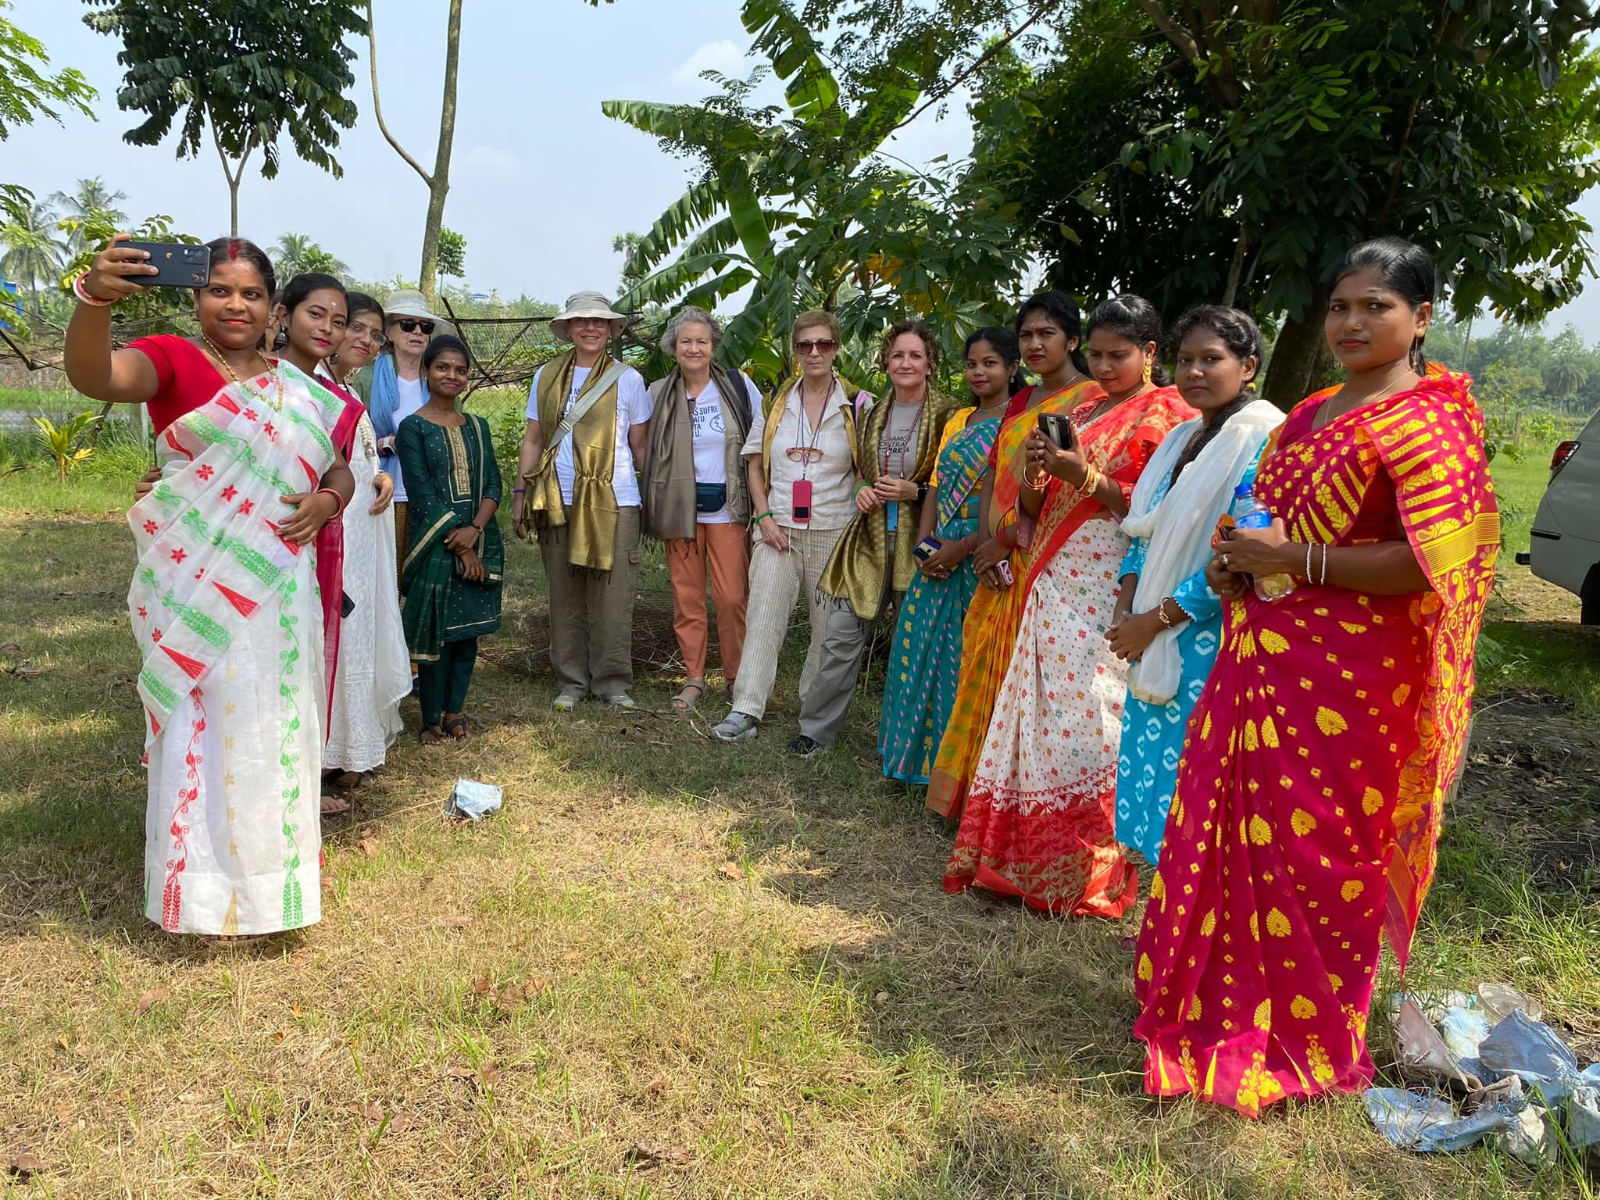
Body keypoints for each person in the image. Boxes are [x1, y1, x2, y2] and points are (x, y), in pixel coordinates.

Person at [1133, 239, 1499, 1117]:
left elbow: (1428, 562)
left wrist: (1293, 556)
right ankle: (1204, 1006)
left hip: (1352, 683)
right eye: (1340, 306)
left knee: (1317, 850)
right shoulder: (1307, 415)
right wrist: (1235, 567)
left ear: (1421, 318)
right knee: (1227, 834)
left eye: (1376, 306)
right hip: (1259, 658)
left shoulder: (1431, 421)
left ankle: (1299, 1036)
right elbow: (1264, 525)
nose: (1352, 322)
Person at [64, 234, 358, 938]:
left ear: (274, 308)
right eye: (219, 290)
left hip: (278, 587)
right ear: (196, 298)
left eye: (251, 293)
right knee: (204, 726)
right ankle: (195, 892)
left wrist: (331, 500)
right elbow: (95, 376)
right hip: (195, 585)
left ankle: (270, 885)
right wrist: (95, 298)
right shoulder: (172, 358)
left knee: (274, 726)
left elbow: (337, 464)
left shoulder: (300, 387)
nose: (235, 304)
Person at [943, 294, 1193, 913]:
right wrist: (1038, 470)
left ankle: (1089, 871)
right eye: (1097, 354)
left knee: (1095, 725)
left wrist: (1079, 474)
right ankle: (1022, 863)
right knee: (1040, 718)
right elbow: (1034, 508)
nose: (1104, 367)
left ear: (1151, 353)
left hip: (1110, 583)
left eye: (1119, 355)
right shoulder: (1079, 407)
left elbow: (1150, 514)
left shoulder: (1169, 416)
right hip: (1051, 576)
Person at [1106, 305, 1282, 864]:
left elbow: (1234, 559)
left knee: (1196, 788)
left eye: (1213, 359)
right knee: (1155, 782)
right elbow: (1143, 529)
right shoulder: (1182, 437)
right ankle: (1166, 912)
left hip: (1209, 638)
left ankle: (1187, 919)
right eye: (1185, 360)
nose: (1194, 372)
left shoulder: (1260, 441)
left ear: (1248, 366)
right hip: (1149, 629)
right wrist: (1126, 608)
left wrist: (1152, 620)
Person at [927, 292, 1103, 819]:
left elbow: (1065, 488)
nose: (1033, 344)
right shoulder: (1022, 404)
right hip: (997, 554)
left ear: (1072, 340)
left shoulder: (1090, 399)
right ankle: (971, 799)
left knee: (1031, 687)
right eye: (1026, 334)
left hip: (1051, 558)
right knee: (984, 670)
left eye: (1046, 334)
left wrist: (1005, 542)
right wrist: (986, 544)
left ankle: (1021, 808)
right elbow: (993, 481)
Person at [788, 320, 964, 757]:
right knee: (840, 638)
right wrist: (861, 489)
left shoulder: (950, 414)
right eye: (898, 355)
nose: (905, 363)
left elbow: (959, 486)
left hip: (920, 547)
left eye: (915, 356)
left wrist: (916, 491)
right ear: (886, 361)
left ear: (930, 364)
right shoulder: (871, 412)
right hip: (868, 542)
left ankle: (913, 746)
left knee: (917, 648)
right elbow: (860, 474)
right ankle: (816, 732)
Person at [710, 311, 869, 743]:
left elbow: (865, 469)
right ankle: (745, 708)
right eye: (804, 346)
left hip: (834, 530)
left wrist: (860, 495)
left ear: (836, 348)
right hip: (778, 527)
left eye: (823, 345)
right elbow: (754, 462)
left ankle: (812, 713)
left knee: (826, 627)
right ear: (794, 350)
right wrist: (763, 517)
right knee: (763, 616)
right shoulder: (776, 402)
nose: (814, 353)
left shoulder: (857, 403)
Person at [878, 328, 1018, 784]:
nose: (979, 372)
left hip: (982, 554)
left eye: (990, 363)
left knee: (963, 661)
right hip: (938, 555)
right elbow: (936, 486)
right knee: (916, 655)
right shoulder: (958, 421)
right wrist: (926, 547)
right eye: (972, 364)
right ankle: (910, 764)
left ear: (1013, 368)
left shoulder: (1017, 421)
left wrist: (962, 550)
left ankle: (958, 773)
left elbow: (1007, 500)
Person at [512, 291, 652, 711]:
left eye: (599, 322)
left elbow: (639, 448)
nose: (591, 328)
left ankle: (611, 683)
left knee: (612, 592)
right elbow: (534, 438)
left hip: (615, 498)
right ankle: (571, 682)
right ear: (569, 329)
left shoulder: (628, 379)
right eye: (582, 322)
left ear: (611, 330)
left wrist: (660, 495)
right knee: (564, 590)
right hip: (557, 496)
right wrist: (519, 493)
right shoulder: (547, 376)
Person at [316, 291, 411, 801]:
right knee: (335, 632)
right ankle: (328, 758)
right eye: (357, 328)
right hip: (332, 530)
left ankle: (350, 750)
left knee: (356, 630)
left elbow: (355, 455)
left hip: (360, 526)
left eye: (377, 335)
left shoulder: (345, 387)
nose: (368, 341)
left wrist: (378, 476)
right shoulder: (309, 385)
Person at [642, 306, 761, 711]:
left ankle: (735, 677)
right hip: (680, 512)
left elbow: (758, 443)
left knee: (731, 597)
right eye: (686, 341)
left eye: (702, 341)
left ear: (713, 347)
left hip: (728, 509)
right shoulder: (656, 393)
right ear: (673, 347)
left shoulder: (737, 386)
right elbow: (642, 449)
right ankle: (694, 678)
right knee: (687, 596)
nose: (694, 348)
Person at [397, 336, 505, 744]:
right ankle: (430, 720)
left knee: (466, 633)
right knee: (436, 634)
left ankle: (455, 712)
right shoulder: (414, 427)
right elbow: (421, 493)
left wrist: (474, 533)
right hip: (435, 544)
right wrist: (457, 541)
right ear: (426, 371)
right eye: (442, 367)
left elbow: (493, 482)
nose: (452, 375)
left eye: (460, 369)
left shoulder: (479, 426)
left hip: (479, 539)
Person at [367, 289, 443, 580]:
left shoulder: (438, 380)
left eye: (425, 327)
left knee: (421, 576)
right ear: (389, 331)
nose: (417, 333)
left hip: (428, 491)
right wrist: (392, 443)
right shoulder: (368, 377)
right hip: (381, 491)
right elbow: (349, 439)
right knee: (383, 575)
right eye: (407, 325)